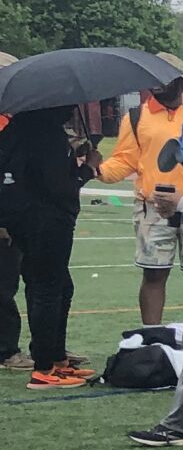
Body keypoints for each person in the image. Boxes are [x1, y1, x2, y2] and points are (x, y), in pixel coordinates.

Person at [92, 60, 183, 327]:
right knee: (154, 275)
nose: (158, 85)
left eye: (165, 79)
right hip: (153, 207)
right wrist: (97, 170)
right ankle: (151, 335)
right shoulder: (137, 116)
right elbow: (125, 160)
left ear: (181, 81)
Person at [0, 108, 89, 386]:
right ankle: (44, 367)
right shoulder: (45, 133)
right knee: (47, 288)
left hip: (25, 216)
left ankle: (56, 357)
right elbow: (59, 186)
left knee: (60, 286)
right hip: (45, 218)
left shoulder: (18, 129)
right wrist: (86, 169)